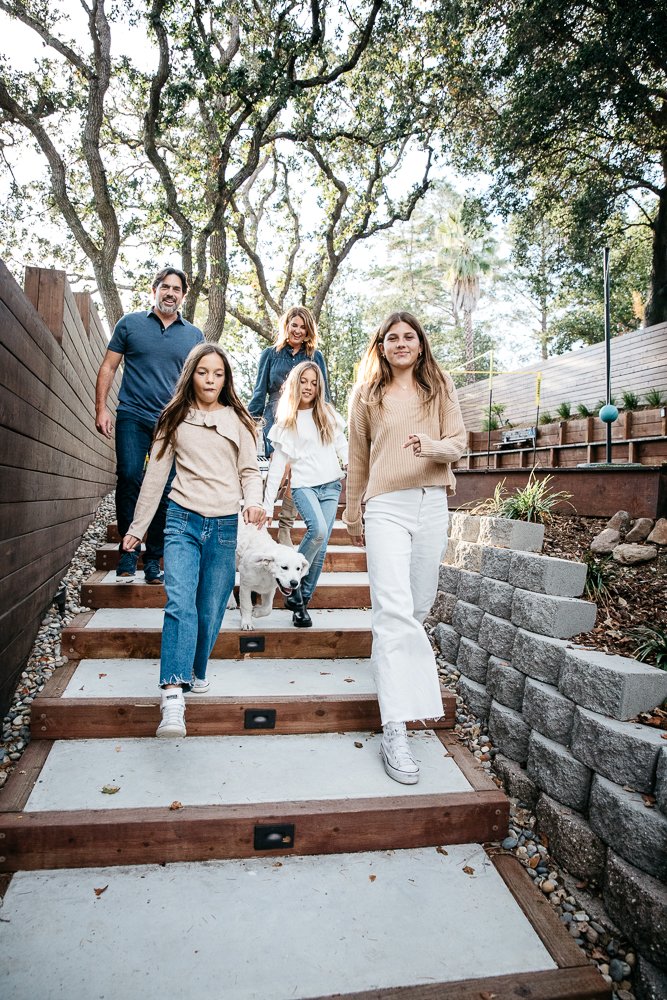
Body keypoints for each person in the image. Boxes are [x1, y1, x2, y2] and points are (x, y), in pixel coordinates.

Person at [343, 312, 466, 785]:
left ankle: (398, 683)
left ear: (420, 344)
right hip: (386, 506)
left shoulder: (439, 386)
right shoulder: (367, 395)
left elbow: (458, 444)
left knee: (416, 607)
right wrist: (354, 515)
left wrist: (431, 447)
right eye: (391, 337)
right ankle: (394, 728)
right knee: (392, 613)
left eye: (408, 336)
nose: (400, 343)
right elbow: (357, 459)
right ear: (381, 346)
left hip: (432, 502)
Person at [122, 343, 265, 738]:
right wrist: (137, 527)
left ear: (226, 378)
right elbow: (155, 477)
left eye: (218, 374)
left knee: (211, 608)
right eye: (203, 372)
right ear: (191, 374)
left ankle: (197, 668)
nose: (211, 380)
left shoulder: (238, 420)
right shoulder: (174, 418)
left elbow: (251, 471)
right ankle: (172, 696)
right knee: (179, 602)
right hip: (181, 520)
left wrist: (253, 502)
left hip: (223, 526)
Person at [95, 267, 204, 583]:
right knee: (130, 476)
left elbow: (199, 382)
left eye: (176, 289)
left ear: (183, 296)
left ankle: (154, 558)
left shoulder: (194, 336)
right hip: (133, 415)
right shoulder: (129, 324)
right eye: (165, 287)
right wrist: (101, 409)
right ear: (154, 290)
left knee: (167, 489)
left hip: (172, 424)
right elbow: (108, 367)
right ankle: (129, 554)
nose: (170, 293)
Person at [263, 362, 348, 628]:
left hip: (331, 484)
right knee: (319, 531)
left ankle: (300, 602)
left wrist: (351, 468)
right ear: (295, 384)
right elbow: (277, 468)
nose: (309, 387)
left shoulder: (327, 414)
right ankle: (296, 588)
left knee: (321, 547)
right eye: (304, 381)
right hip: (304, 487)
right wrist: (267, 507)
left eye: (314, 382)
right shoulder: (287, 422)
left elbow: (343, 447)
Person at [248, 306, 330, 546]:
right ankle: (262, 520)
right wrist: (251, 424)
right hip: (275, 417)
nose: (298, 330)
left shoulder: (315, 356)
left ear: (308, 331)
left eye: (303, 327)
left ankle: (285, 526)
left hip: (305, 420)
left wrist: (325, 426)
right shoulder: (270, 354)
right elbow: (258, 393)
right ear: (286, 326)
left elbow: (324, 395)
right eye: (294, 324)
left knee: (296, 473)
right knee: (275, 471)